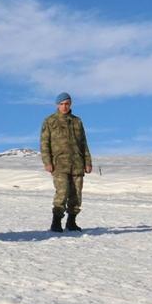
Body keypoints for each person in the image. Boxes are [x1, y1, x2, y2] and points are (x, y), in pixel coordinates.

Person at [40, 92, 92, 232]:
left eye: (67, 104)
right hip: (59, 163)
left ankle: (71, 222)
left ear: (70, 104)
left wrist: (88, 161)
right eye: (62, 104)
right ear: (57, 105)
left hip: (77, 163)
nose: (64, 106)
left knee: (76, 194)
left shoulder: (77, 121)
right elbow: (44, 143)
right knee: (62, 192)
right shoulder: (50, 121)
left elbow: (83, 143)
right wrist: (47, 162)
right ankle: (56, 222)